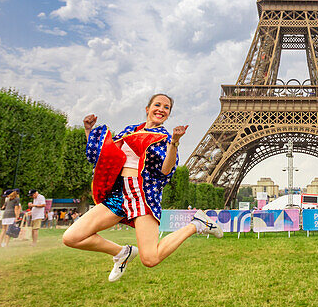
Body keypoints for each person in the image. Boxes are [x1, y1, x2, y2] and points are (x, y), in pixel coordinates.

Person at [63, 93, 222, 282]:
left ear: (168, 114)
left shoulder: (164, 137)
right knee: (71, 237)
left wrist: (175, 142)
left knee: (150, 259)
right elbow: (103, 155)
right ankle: (122, 253)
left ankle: (197, 225)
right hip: (119, 195)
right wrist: (88, 131)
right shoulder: (130, 131)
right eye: (158, 105)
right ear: (148, 109)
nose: (161, 109)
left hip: (142, 196)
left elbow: (166, 170)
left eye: (166, 107)